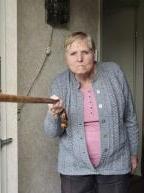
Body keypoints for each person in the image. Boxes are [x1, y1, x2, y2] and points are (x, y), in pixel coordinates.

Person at [44, 31, 139, 193]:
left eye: (85, 52)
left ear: (94, 54)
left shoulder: (114, 73)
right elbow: (52, 132)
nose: (79, 59)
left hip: (115, 164)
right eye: (73, 53)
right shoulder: (60, 83)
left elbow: (129, 117)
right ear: (66, 58)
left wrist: (134, 153)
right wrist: (54, 114)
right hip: (74, 168)